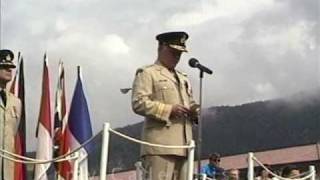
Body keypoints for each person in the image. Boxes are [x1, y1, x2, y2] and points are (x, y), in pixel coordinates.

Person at [131, 31, 198, 180]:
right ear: (161, 48)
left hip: (185, 145)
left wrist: (194, 111)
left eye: (179, 54)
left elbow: (189, 101)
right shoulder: (148, 73)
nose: (177, 57)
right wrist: (168, 110)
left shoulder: (183, 77)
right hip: (160, 145)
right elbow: (138, 102)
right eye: (173, 52)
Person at [0, 49, 21, 180]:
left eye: (11, 67)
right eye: (4, 66)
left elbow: (13, 132)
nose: (9, 70)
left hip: (7, 169)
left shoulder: (16, 102)